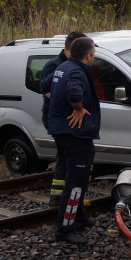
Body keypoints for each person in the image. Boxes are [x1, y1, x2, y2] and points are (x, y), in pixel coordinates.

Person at [47, 37, 101, 245]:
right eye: (93, 52)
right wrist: (78, 108)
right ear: (88, 55)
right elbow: (74, 93)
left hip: (62, 131)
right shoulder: (77, 71)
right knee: (76, 182)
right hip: (74, 133)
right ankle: (65, 228)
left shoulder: (63, 67)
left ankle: (79, 216)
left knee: (77, 175)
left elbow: (44, 84)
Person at [40, 31, 88, 206]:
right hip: (59, 117)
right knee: (68, 157)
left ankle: (61, 196)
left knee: (65, 156)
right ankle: (63, 198)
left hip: (66, 117)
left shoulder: (71, 65)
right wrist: (76, 106)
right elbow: (45, 89)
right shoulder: (55, 65)